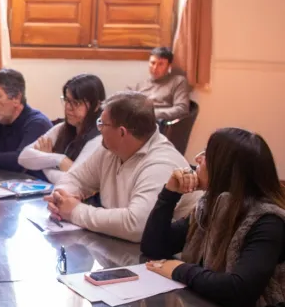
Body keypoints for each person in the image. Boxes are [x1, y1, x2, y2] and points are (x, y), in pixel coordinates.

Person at [141, 128, 285, 307]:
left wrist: (180, 269)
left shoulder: (268, 222)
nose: (198, 158)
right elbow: (154, 247)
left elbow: (239, 291)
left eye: (207, 154)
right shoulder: (211, 207)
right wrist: (170, 193)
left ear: (225, 169)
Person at [46, 91, 199, 243]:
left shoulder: (161, 164)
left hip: (166, 254)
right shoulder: (109, 149)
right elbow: (76, 178)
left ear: (121, 132)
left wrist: (74, 211)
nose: (99, 129)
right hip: (122, 247)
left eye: (102, 124)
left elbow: (137, 226)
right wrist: (60, 197)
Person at [18, 74, 105, 183]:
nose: (68, 107)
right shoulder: (62, 128)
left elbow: (74, 181)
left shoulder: (99, 138)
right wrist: (59, 159)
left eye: (76, 103)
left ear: (96, 106)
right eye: (67, 100)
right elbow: (23, 157)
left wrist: (45, 163)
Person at [128, 47, 191, 122]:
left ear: (169, 66)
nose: (155, 68)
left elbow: (182, 109)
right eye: (153, 63)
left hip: (159, 123)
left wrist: (152, 114)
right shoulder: (139, 84)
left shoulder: (178, 81)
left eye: (160, 64)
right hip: (137, 120)